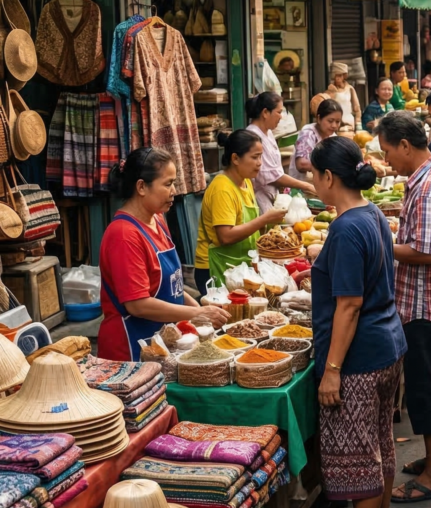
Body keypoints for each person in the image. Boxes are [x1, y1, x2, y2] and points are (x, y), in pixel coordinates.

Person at [310, 138, 407, 508]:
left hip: (361, 355)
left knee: (357, 450)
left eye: (314, 175)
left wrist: (332, 371)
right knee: (379, 443)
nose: (314, 183)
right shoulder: (371, 215)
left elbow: (348, 305)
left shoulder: (347, 227)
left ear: (329, 177)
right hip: (386, 344)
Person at [374, 112, 431, 505]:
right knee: (430, 386)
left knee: (427, 390)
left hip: (427, 305)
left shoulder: (427, 188)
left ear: (405, 146)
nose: (387, 160)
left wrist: (379, 243)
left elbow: (426, 253)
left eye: (388, 152)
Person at [99, 149, 231, 361]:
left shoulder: (157, 219)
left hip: (160, 341)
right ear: (141, 186)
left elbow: (173, 286)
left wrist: (200, 311)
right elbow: (138, 304)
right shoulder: (124, 234)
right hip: (130, 349)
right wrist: (196, 314)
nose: (174, 191)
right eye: (168, 184)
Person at [195, 130, 287, 290]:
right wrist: (265, 219)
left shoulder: (246, 182)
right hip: (216, 268)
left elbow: (250, 226)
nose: (259, 163)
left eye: (260, 157)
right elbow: (226, 236)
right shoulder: (222, 189)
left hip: (239, 265)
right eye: (254, 157)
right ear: (235, 158)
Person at [245, 92, 315, 213]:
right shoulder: (254, 136)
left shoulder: (268, 132)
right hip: (260, 198)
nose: (281, 117)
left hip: (272, 196)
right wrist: (307, 186)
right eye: (279, 112)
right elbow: (271, 176)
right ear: (265, 113)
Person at [295, 99, 344, 174]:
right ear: (319, 119)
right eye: (330, 121)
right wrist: (328, 167)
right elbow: (301, 164)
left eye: (337, 122)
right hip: (304, 183)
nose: (334, 125)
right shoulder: (308, 133)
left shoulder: (332, 136)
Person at [310, 61, 360, 129]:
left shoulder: (350, 88)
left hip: (350, 122)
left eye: (340, 75)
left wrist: (358, 123)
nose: (337, 78)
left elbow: (356, 108)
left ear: (344, 76)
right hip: (337, 123)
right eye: (336, 76)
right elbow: (322, 103)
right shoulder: (330, 91)